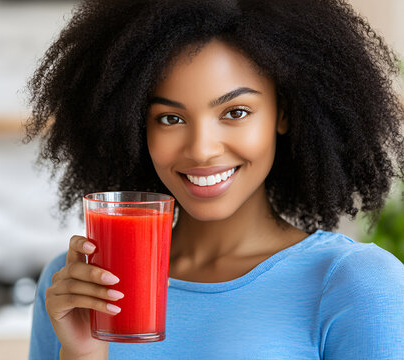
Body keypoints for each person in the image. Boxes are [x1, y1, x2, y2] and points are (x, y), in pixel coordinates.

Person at [24, 0, 404, 359]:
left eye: (235, 112)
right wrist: (82, 352)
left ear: (282, 114)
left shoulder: (357, 284)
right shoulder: (79, 285)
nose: (202, 150)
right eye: (170, 119)